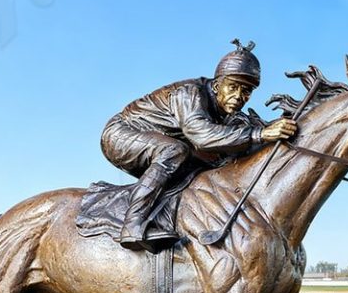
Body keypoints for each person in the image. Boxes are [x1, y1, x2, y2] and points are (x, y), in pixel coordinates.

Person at [100, 39, 297, 251]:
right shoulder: (189, 93)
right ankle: (132, 224)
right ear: (217, 84)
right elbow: (201, 135)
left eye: (246, 91)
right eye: (233, 87)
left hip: (160, 142)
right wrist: (261, 133)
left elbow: (243, 138)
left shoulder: (230, 113)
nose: (239, 96)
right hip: (121, 134)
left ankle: (166, 219)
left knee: (210, 164)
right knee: (175, 151)